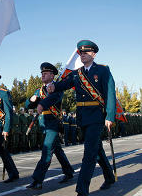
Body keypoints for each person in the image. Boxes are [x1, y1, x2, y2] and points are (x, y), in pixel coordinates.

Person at [48, 40, 116, 196]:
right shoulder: (76, 74)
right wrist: (53, 86)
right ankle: (109, 177)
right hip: (83, 117)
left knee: (89, 153)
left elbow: (110, 94)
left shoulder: (103, 70)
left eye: (85, 52)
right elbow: (63, 84)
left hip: (97, 116)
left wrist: (110, 116)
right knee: (96, 149)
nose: (82, 55)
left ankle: (81, 190)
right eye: (80, 53)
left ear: (93, 54)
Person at [25, 62, 74, 190]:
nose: (42, 75)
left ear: (52, 75)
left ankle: (38, 180)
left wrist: (42, 104)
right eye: (42, 73)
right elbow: (27, 105)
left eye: (45, 73)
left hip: (53, 123)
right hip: (43, 124)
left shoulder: (57, 88)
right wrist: (31, 100)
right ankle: (68, 171)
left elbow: (54, 99)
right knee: (57, 149)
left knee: (46, 151)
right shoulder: (38, 91)